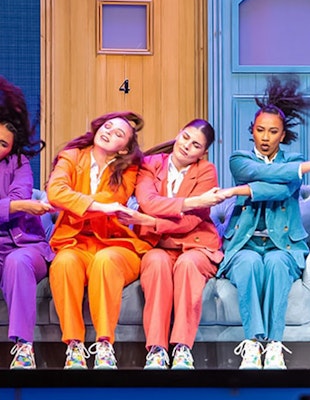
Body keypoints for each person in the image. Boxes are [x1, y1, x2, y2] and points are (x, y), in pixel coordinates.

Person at [216, 78, 310, 370]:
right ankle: (253, 343)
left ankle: (274, 346)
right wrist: (272, 178)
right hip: (244, 242)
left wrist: (239, 191)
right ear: (252, 132)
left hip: (282, 244)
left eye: (272, 132)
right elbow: (264, 177)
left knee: (277, 265)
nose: (266, 137)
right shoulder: (239, 159)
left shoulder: (294, 159)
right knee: (248, 265)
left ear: (282, 135)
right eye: (260, 131)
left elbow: (283, 190)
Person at [47, 111, 155, 369]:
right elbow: (55, 192)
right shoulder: (72, 156)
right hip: (75, 241)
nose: (109, 133)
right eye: (107, 127)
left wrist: (81, 202)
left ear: (124, 148)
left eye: (119, 134)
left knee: (105, 261)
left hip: (116, 243)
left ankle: (105, 344)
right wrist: (97, 206)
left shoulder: (129, 170)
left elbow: (113, 200)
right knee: (64, 264)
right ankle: (74, 345)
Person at [133, 119, 232, 370]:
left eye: (196, 145)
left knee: (188, 265)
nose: (187, 146)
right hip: (158, 247)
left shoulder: (207, 171)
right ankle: (156, 348)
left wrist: (152, 222)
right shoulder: (149, 164)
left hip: (197, 245)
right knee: (155, 262)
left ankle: (182, 348)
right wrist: (190, 202)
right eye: (186, 137)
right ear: (178, 134)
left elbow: (191, 221)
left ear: (203, 152)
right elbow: (148, 202)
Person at [0, 77, 54, 369]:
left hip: (25, 247)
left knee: (17, 262)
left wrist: (16, 204)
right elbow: (20, 202)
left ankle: (24, 348)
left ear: (12, 147)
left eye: (2, 144)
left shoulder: (18, 165)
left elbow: (20, 195)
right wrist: (17, 205)